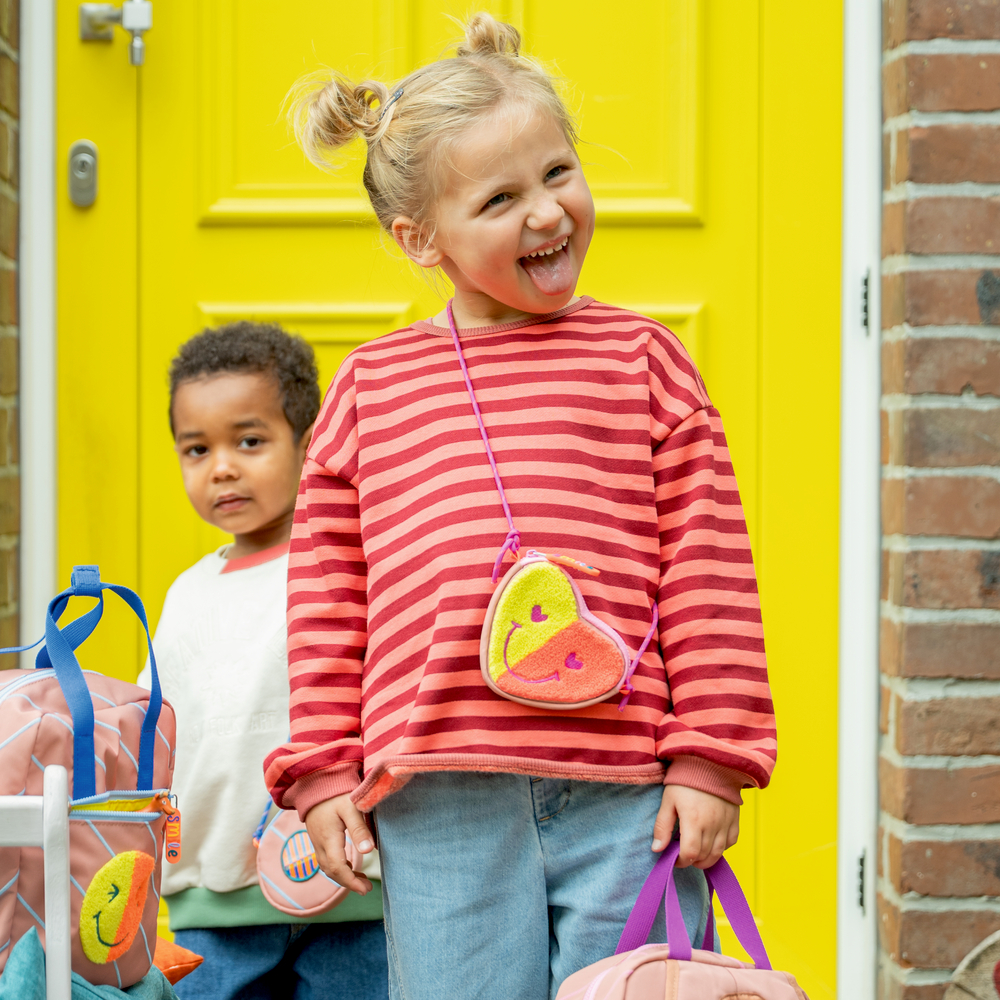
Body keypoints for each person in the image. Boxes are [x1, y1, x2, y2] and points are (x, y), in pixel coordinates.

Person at [265, 14, 777, 1000]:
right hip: (437, 795)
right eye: (502, 198)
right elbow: (328, 599)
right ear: (420, 239)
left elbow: (707, 570)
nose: (547, 214)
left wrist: (711, 755)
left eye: (558, 173)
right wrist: (324, 771)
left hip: (629, 791)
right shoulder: (373, 388)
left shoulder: (643, 363)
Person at [138, 322, 388, 1000]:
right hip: (212, 906)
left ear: (307, 443)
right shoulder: (187, 593)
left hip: (353, 893)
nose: (221, 466)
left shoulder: (352, 566)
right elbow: (155, 731)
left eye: (249, 441)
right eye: (197, 449)